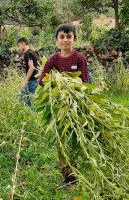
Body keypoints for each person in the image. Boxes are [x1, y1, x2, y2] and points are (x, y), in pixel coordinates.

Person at [39, 23, 89, 185]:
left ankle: (77, 169)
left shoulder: (80, 58)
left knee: (76, 136)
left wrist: (73, 87)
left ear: (75, 39)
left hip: (76, 104)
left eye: (69, 37)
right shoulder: (53, 59)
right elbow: (42, 80)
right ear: (56, 40)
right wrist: (57, 82)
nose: (65, 40)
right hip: (59, 105)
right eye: (62, 37)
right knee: (61, 137)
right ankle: (66, 173)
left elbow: (85, 83)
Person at [17, 37, 39, 108]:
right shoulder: (32, 52)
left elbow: (31, 67)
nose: (19, 48)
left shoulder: (27, 54)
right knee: (22, 97)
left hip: (32, 81)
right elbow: (37, 64)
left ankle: (34, 116)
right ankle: (30, 114)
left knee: (29, 100)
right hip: (34, 80)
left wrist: (25, 81)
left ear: (23, 44)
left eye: (19, 45)